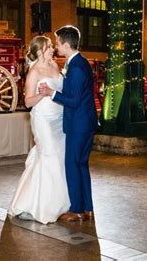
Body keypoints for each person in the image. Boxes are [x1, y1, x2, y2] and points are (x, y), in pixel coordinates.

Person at [8, 36, 70, 224]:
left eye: (52, 46)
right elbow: (27, 102)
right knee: (49, 155)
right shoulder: (34, 72)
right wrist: (42, 94)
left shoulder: (54, 66)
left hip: (59, 118)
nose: (52, 49)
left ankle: (60, 203)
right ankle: (41, 206)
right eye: (49, 47)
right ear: (39, 52)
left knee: (60, 156)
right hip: (43, 119)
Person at [39, 25, 98, 222]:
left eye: (57, 43)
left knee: (72, 165)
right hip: (85, 122)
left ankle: (76, 209)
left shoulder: (77, 68)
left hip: (79, 125)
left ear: (66, 44)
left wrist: (51, 93)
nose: (56, 47)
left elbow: (73, 100)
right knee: (82, 165)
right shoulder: (80, 63)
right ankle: (88, 208)